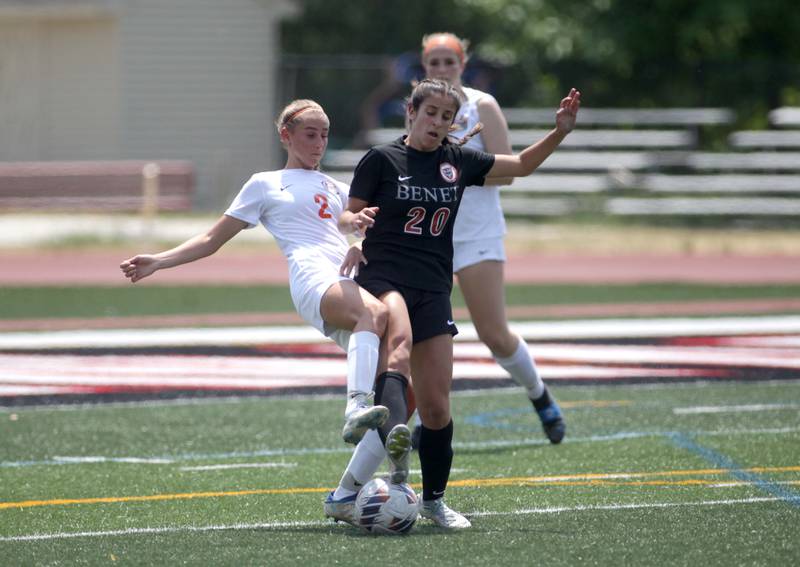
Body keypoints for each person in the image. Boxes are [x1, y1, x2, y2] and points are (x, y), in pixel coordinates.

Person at [325, 78, 580, 530]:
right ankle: (397, 447)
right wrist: (354, 221)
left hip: (434, 285)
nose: (438, 123)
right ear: (411, 112)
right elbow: (348, 212)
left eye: (447, 117)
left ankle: (433, 501)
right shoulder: (382, 159)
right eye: (431, 114)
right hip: (384, 277)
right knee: (398, 342)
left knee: (438, 405)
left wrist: (559, 131)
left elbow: (520, 165)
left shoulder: (457, 160)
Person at [119, 99, 391, 446]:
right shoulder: (265, 184)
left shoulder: (337, 187)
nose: (319, 144)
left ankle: (354, 489)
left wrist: (360, 242)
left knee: (396, 381)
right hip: (314, 278)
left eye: (324, 135)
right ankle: (355, 406)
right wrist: (159, 260)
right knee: (375, 313)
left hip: (348, 281)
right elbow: (210, 239)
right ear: (286, 136)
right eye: (310, 134)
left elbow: (362, 229)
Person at [409, 32, 567, 448]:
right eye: (433, 63)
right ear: (424, 68)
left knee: (494, 334)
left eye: (449, 62)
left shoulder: (481, 106)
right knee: (424, 335)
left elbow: (510, 170)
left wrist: (459, 165)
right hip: (430, 238)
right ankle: (429, 415)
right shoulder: (422, 107)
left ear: (463, 64)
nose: (441, 69)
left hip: (476, 234)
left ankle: (539, 395)